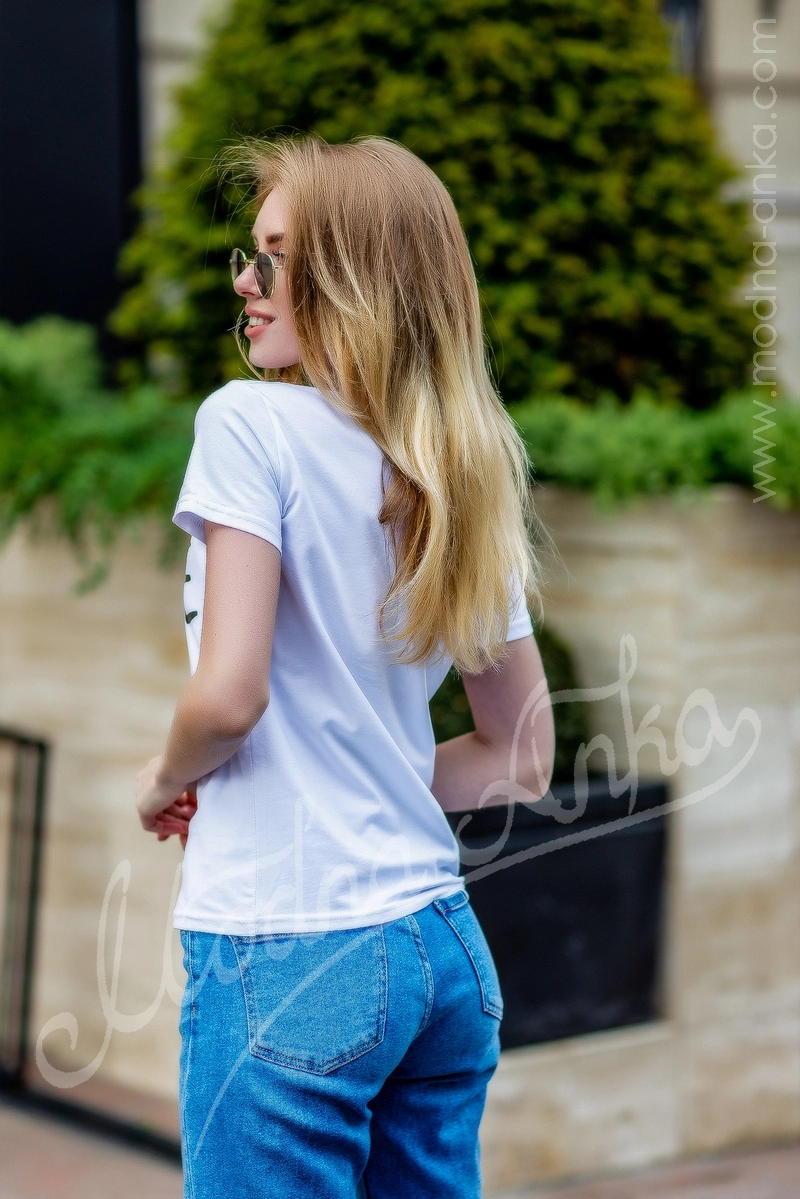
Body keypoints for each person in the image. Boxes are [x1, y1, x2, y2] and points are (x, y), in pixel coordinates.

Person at [135, 136, 555, 1199]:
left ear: (352, 279)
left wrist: (163, 777)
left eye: (274, 256)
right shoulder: (456, 466)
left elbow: (229, 695)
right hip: (437, 950)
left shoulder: (246, 424)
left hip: (289, 946)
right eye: (250, 253)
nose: (245, 279)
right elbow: (521, 755)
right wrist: (352, 779)